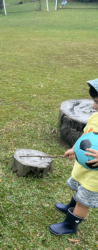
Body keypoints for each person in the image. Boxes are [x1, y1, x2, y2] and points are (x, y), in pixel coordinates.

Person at [49, 78, 98, 235]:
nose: (94, 106)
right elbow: (85, 135)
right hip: (83, 167)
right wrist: (74, 148)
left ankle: (70, 225)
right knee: (79, 187)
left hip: (95, 176)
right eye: (94, 101)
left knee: (84, 201)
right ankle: (71, 207)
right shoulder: (95, 117)